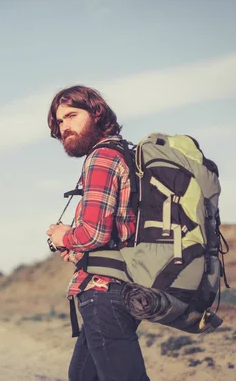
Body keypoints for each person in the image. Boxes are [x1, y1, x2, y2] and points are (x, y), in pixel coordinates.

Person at [45, 85, 150, 381]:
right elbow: (119, 229)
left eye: (72, 115)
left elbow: (93, 233)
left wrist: (62, 236)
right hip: (121, 285)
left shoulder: (101, 158)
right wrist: (77, 251)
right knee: (82, 376)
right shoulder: (126, 154)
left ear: (97, 113)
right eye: (60, 121)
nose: (65, 127)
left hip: (105, 291)